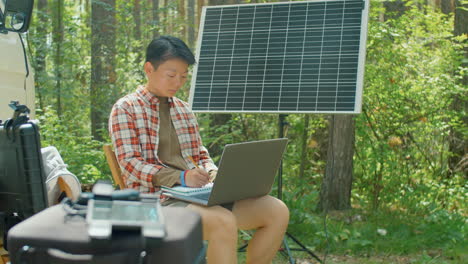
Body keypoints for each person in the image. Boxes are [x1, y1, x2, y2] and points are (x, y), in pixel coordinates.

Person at [109, 36, 289, 264]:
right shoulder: (126, 108)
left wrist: (213, 173)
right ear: (149, 69)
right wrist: (181, 177)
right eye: (171, 75)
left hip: (200, 197)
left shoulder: (183, 110)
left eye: (183, 77)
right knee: (223, 221)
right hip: (154, 202)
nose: (178, 83)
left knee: (276, 210)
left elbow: (200, 155)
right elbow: (130, 164)